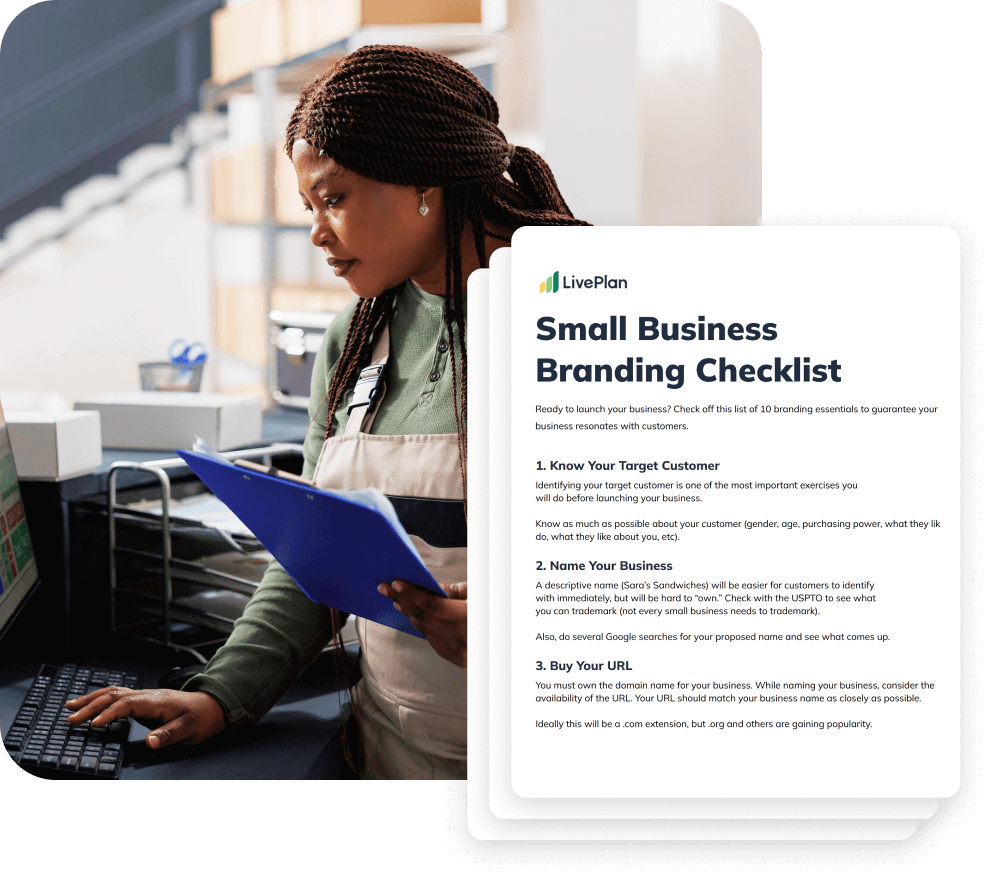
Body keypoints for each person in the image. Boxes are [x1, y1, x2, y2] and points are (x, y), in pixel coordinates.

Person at [65, 44, 589, 779]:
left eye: (333, 198)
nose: (316, 232)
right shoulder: (356, 339)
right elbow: (317, 553)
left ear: (424, 181)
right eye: (309, 207)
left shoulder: (598, 320)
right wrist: (221, 694)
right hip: (391, 754)